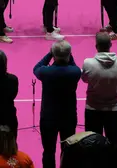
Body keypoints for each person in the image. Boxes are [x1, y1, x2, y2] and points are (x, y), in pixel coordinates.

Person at [33, 40, 81, 168]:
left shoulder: (46, 72)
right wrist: (68, 55)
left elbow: (36, 67)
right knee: (68, 150)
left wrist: (50, 54)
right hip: (68, 117)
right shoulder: (75, 72)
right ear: (69, 54)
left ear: (54, 55)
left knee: (48, 151)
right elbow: (73, 64)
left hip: (49, 117)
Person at [81, 31, 117, 145]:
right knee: (115, 146)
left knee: (92, 147)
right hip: (115, 110)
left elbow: (85, 79)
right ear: (110, 45)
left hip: (93, 109)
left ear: (96, 46)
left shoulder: (88, 63)